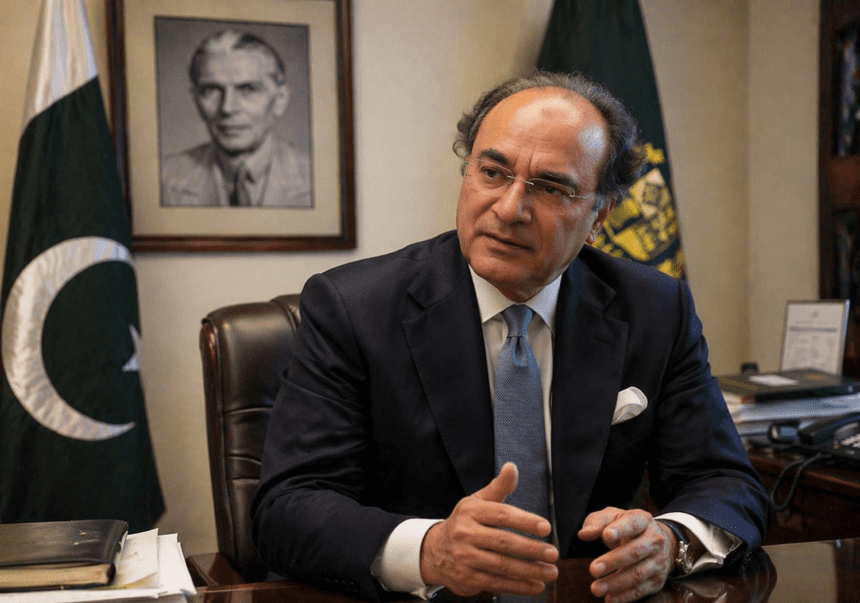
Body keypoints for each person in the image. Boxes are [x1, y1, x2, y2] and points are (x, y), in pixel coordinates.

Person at [251, 71, 772, 603]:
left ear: (599, 216)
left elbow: (727, 483)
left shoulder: (654, 309)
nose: (509, 208)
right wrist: (429, 549)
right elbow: (287, 508)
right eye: (492, 172)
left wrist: (671, 542)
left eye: (551, 187)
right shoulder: (353, 308)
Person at [160, 30, 312, 208]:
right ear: (196, 100)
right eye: (211, 90)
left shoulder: (318, 179)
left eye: (248, 89)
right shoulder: (162, 178)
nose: (227, 108)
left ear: (280, 100)